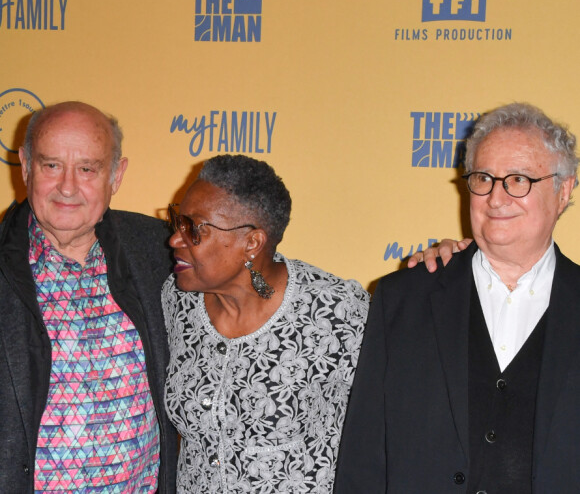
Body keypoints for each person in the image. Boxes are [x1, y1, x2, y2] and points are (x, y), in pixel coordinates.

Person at [335, 102, 580, 494]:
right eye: (483, 178)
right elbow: (364, 459)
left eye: (518, 180)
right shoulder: (403, 298)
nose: (496, 198)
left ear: (563, 190)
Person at [161, 154, 369, 493]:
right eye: (176, 221)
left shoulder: (336, 311)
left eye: (193, 228)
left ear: (252, 243)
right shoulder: (176, 300)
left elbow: (400, 424)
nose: (174, 239)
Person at [0, 102, 177, 492]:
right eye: (50, 165)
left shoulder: (161, 250)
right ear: (26, 165)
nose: (67, 187)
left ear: (116, 175)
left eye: (87, 169)